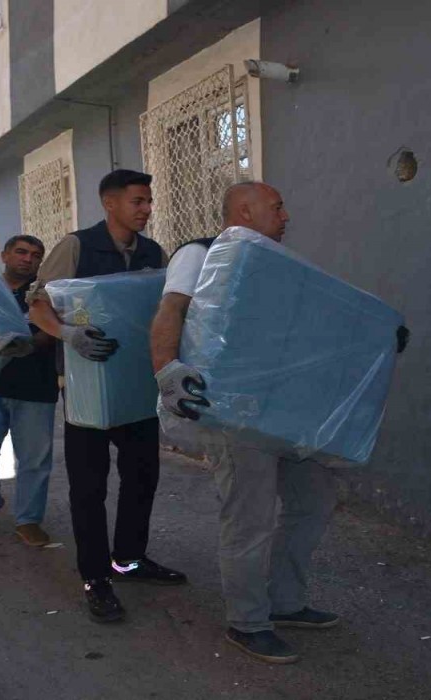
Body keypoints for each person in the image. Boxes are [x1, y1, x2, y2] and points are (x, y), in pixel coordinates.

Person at [150, 181, 409, 665]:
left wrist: (381, 334)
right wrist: (167, 370)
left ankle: (285, 601)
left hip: (286, 414)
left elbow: (323, 329)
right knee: (249, 519)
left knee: (312, 502)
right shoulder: (199, 254)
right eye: (277, 207)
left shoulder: (278, 266)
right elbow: (171, 310)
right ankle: (247, 621)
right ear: (244, 210)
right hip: (232, 412)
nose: (286, 215)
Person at [28, 169, 187, 623]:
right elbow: (39, 304)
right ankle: (96, 577)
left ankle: (130, 560)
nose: (146, 208)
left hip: (137, 387)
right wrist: (67, 333)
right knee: (89, 489)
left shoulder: (152, 253)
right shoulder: (76, 247)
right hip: (88, 392)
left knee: (142, 479)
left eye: (148, 201)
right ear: (110, 203)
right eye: (138, 201)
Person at [0, 234, 60, 547]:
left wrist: (30, 342)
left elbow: (53, 331)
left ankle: (28, 520)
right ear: (4, 255)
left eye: (35, 254)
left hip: (35, 389)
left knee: (33, 461)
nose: (27, 259)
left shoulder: (47, 294)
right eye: (21, 252)